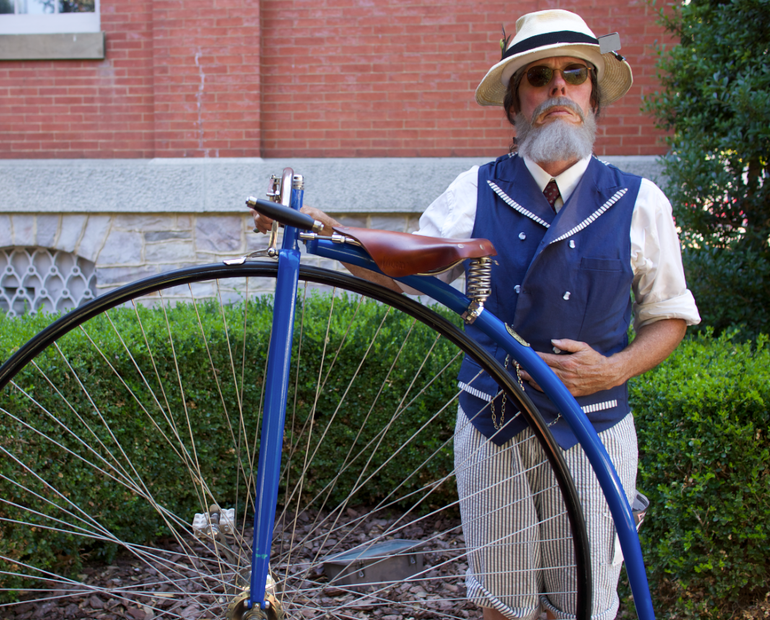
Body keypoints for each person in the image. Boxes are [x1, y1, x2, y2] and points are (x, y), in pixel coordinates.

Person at [252, 9, 700, 619]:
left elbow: (669, 316)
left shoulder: (638, 200)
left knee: (586, 602)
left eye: (575, 74)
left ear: (593, 95)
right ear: (516, 104)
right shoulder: (476, 190)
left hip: (595, 425)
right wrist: (323, 231)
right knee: (501, 604)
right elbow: (402, 272)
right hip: (495, 427)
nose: (559, 89)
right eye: (540, 78)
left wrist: (613, 369)